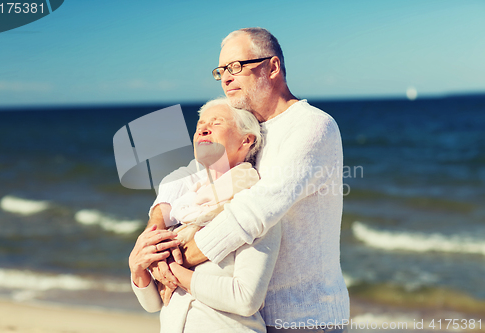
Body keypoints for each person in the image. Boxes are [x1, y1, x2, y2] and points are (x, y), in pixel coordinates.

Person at [136, 27, 350, 332]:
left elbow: (255, 212)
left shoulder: (312, 126)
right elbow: (187, 178)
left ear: (273, 67)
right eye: (221, 70)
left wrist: (176, 260)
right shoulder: (248, 131)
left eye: (236, 67)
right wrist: (154, 234)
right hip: (253, 319)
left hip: (306, 318)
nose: (226, 77)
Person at [130, 98, 282, 333]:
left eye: (216, 123)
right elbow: (153, 304)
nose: (203, 128)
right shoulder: (185, 205)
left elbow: (245, 298)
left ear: (246, 140)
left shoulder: (253, 206)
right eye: (200, 124)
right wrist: (137, 268)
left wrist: (176, 272)